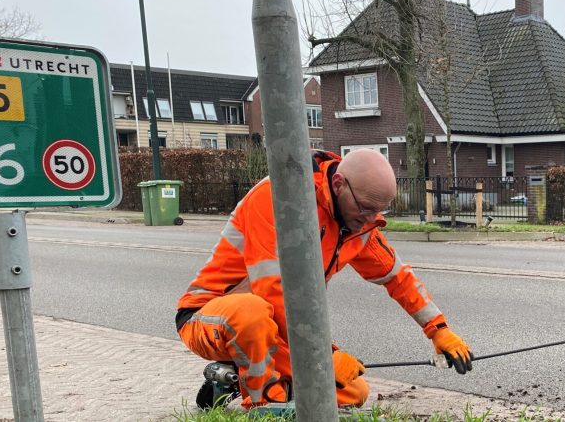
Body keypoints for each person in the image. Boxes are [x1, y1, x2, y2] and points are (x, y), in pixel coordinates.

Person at [174, 148, 473, 408]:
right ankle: (265, 406)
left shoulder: (356, 223)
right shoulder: (279, 198)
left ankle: (232, 379)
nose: (371, 220)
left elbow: (397, 277)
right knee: (252, 313)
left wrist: (439, 330)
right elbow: (275, 292)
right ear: (340, 184)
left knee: (353, 392)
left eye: (379, 212)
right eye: (366, 208)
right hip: (208, 316)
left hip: (272, 326)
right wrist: (322, 358)